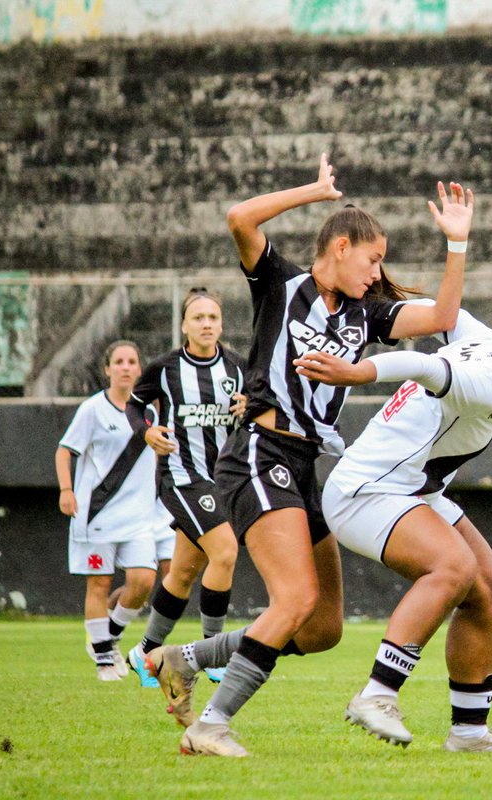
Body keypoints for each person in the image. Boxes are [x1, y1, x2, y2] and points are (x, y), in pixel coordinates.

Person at [146, 154, 474, 757]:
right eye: (373, 259)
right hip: (258, 453)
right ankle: (210, 726)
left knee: (322, 628)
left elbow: (443, 316)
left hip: (312, 466)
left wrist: (456, 245)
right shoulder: (282, 283)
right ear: (341, 246)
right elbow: (239, 217)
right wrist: (314, 192)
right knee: (294, 600)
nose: (378, 274)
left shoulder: (364, 313)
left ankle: (183, 659)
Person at [311, 299, 492, 753]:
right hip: (366, 492)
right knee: (453, 569)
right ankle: (377, 695)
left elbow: (441, 313)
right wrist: (357, 372)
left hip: (411, 491)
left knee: (486, 589)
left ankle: (469, 732)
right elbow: (423, 365)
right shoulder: (484, 382)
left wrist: (388, 298)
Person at [123, 287, 247, 688]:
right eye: (198, 318)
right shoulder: (164, 369)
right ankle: (213, 652)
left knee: (182, 573)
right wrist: (147, 432)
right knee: (225, 551)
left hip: (222, 481)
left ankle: (145, 653)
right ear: (184, 325)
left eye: (213, 317)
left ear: (221, 323)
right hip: (182, 478)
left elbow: (258, 406)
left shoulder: (237, 368)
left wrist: (251, 406)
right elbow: (134, 405)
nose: (206, 324)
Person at [54, 340, 159, 681]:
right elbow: (64, 450)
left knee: (143, 580)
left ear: (140, 369)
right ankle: (103, 660)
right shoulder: (93, 409)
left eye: (132, 361)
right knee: (99, 584)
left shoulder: (152, 413)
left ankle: (109, 634)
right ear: (108, 369)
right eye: (119, 361)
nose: (126, 367)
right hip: (97, 512)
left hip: (140, 516)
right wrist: (67, 490)